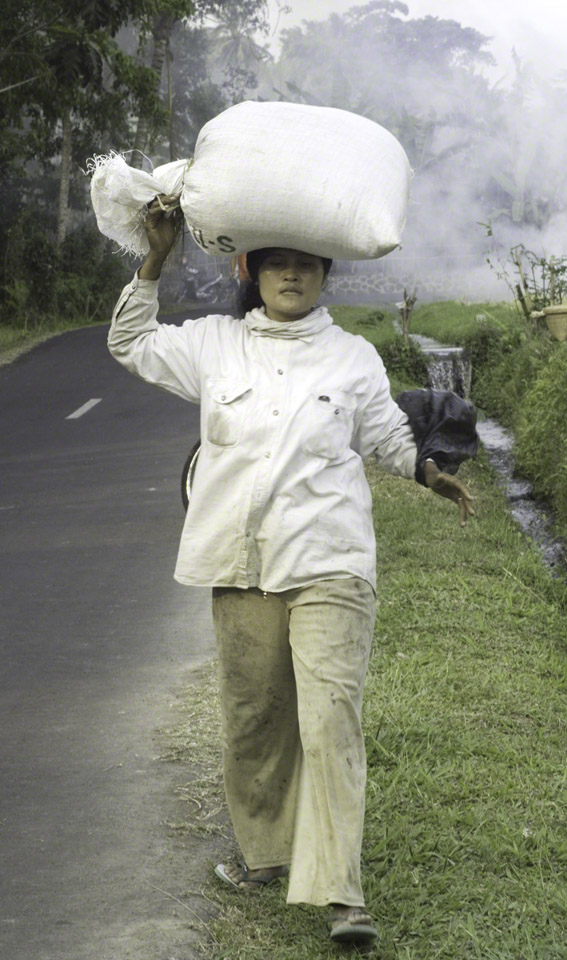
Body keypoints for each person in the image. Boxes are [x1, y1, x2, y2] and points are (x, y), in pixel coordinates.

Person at [107, 194, 475, 946]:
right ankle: (266, 856)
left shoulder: (352, 357)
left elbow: (383, 432)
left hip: (330, 562)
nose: (290, 274)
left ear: (323, 274)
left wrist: (426, 470)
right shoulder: (212, 344)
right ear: (250, 269)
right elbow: (130, 340)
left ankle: (342, 893)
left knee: (329, 717)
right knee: (253, 718)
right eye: (276, 261)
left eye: (305, 263)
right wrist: (155, 256)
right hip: (239, 562)